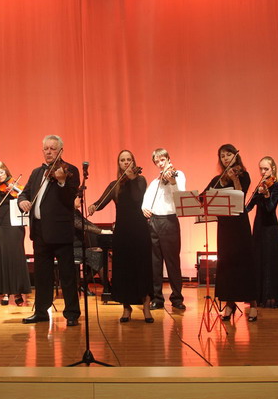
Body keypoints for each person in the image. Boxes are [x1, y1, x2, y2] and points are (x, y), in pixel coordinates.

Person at [18, 135, 80, 326]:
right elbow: (24, 193)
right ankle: (41, 312)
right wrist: (22, 201)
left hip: (61, 232)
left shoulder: (70, 170)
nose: (49, 152)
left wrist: (61, 182)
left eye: (53, 148)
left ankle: (71, 313)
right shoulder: (37, 172)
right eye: (46, 148)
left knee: (67, 276)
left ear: (61, 151)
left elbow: (70, 199)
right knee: (42, 276)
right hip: (40, 232)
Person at [90, 150, 154, 322]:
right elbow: (101, 202)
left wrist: (132, 178)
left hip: (140, 230)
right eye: (122, 160)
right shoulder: (115, 184)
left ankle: (146, 305)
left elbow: (137, 198)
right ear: (119, 164)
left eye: (128, 159)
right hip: (123, 232)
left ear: (133, 162)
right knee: (124, 269)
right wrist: (93, 206)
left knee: (142, 267)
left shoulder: (140, 180)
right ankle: (126, 307)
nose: (126, 162)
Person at [203, 144, 258, 322]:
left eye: (228, 154)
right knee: (226, 264)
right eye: (222, 156)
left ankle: (253, 304)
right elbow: (203, 197)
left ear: (235, 156)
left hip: (239, 225)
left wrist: (234, 179)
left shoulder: (244, 175)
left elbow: (241, 195)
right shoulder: (217, 179)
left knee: (244, 262)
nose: (225, 158)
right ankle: (229, 303)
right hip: (224, 226)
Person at [141, 148, 186, 311]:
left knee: (172, 262)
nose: (160, 164)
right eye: (157, 161)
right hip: (154, 222)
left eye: (162, 160)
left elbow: (181, 195)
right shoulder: (155, 182)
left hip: (169, 220)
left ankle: (177, 298)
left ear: (168, 159)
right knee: (155, 263)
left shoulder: (178, 175)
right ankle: (157, 298)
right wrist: (144, 208)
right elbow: (146, 199)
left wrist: (172, 181)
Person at [0, 161, 31, 306]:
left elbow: (25, 197)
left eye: (2, 172)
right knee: (2, 257)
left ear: (6, 172)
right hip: (0, 226)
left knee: (15, 256)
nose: (0, 176)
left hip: (15, 225)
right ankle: (5, 292)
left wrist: (15, 189)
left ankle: (17, 291)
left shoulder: (15, 186)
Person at [246, 156, 278, 308]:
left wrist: (266, 194)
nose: (263, 172)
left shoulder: (276, 186)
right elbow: (249, 206)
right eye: (261, 169)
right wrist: (239, 211)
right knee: (258, 259)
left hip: (270, 228)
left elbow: (270, 208)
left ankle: (272, 296)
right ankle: (259, 296)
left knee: (270, 261)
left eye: (266, 169)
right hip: (259, 227)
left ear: (273, 169)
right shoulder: (260, 185)